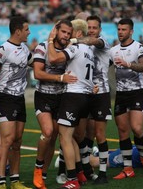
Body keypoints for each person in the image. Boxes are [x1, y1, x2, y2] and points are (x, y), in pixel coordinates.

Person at [0, 16, 33, 189]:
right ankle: (1, 182)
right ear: (18, 31)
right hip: (5, 98)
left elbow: (38, 64)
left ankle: (16, 181)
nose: (29, 32)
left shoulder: (25, 49)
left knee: (17, 141)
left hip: (19, 99)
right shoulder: (2, 50)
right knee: (7, 140)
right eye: (26, 29)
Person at [48, 19, 95, 189]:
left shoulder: (75, 47)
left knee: (65, 138)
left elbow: (53, 58)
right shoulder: (90, 50)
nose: (68, 35)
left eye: (71, 32)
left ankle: (72, 179)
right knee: (73, 137)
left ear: (79, 34)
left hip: (73, 96)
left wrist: (50, 40)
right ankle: (81, 173)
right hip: (86, 97)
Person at [32, 20, 76, 189]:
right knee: (48, 131)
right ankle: (37, 169)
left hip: (62, 98)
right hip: (43, 96)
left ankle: (42, 175)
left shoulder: (69, 50)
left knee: (54, 139)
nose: (66, 35)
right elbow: (37, 73)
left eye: (68, 33)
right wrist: (59, 78)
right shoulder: (42, 47)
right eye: (63, 32)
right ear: (56, 32)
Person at [109, 18, 143, 180]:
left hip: (137, 92)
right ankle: (128, 168)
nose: (120, 32)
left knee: (136, 128)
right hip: (121, 94)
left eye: (124, 29)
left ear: (131, 31)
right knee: (122, 131)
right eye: (119, 29)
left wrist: (128, 64)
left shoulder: (139, 47)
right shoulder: (113, 50)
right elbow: (102, 66)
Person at [70, 15, 112, 185]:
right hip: (84, 93)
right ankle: (86, 170)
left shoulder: (101, 42)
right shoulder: (81, 46)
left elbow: (95, 42)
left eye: (95, 27)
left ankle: (102, 173)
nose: (93, 30)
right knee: (80, 135)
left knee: (99, 134)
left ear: (99, 30)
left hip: (101, 94)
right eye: (90, 28)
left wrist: (76, 39)